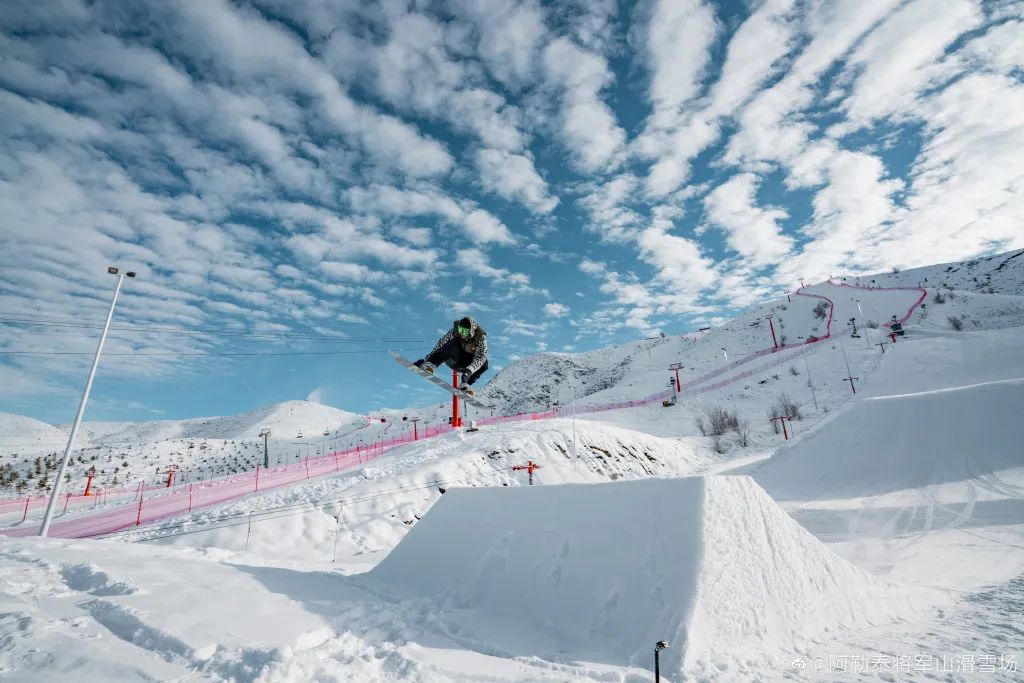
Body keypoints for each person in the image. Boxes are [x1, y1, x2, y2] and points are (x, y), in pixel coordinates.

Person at [414, 316, 489, 393]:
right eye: (460, 329)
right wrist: (428, 359)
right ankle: (431, 365)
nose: (461, 333)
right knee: (454, 344)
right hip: (453, 359)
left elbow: (481, 357)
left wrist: (469, 371)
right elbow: (441, 343)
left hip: (466, 366)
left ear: (471, 331)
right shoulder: (455, 331)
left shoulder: (481, 337)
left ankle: (465, 385)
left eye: (464, 331)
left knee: (485, 364)